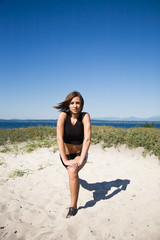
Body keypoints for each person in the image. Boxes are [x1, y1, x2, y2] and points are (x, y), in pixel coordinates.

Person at [54, 91, 91, 218]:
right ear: (68, 104)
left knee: (73, 171)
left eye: (78, 103)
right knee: (72, 171)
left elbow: (87, 139)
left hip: (80, 153)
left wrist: (81, 158)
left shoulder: (85, 116)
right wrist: (64, 159)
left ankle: (73, 206)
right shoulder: (63, 115)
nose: (75, 106)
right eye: (72, 103)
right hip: (66, 154)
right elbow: (59, 138)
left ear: (82, 105)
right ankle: (78, 182)